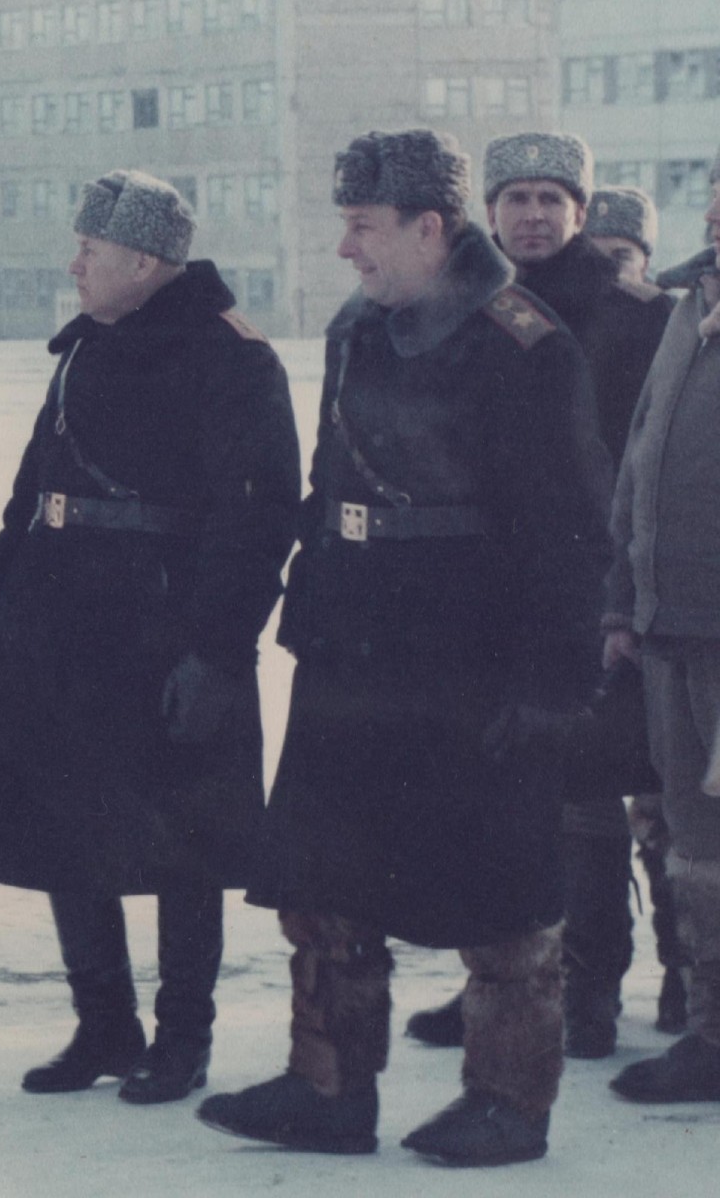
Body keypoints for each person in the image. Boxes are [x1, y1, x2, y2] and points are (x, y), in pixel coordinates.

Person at [195, 129, 612, 1166]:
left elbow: (569, 534)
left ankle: (509, 1103)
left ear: (431, 228)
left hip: (469, 655)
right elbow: (335, 485)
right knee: (322, 879)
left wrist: (553, 679)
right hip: (353, 644)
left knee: (503, 895)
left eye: (363, 226)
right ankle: (329, 1089)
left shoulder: (524, 344)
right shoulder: (358, 328)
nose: (346, 248)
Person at [0, 170, 300, 1105]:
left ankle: (183, 1039)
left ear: (143, 261)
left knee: (185, 842)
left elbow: (256, 520)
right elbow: (33, 487)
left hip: (167, 627)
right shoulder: (89, 346)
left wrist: (217, 652)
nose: (74, 264)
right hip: (60, 623)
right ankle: (104, 1026)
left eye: (89, 250)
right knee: (62, 823)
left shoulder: (233, 358)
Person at [407, 135, 674, 1059]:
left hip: (592, 594)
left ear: (579, 210)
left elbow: (647, 470)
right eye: (513, 198)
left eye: (549, 200)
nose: (530, 215)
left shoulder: (637, 314)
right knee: (492, 796)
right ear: (488, 213)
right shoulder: (459, 308)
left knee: (584, 797)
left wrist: (621, 601)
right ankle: (499, 978)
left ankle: (587, 989)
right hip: (482, 593)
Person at [604, 148, 720, 1103]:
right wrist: (621, 602)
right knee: (696, 841)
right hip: (669, 630)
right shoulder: (690, 309)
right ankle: (715, 1037)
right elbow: (640, 461)